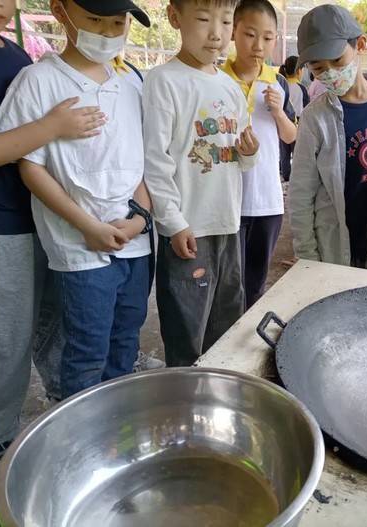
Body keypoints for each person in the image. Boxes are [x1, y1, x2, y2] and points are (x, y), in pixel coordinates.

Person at [0, 0, 154, 400]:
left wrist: (140, 219)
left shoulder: (130, 83)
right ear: (60, 11)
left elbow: (141, 165)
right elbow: (30, 168)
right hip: (79, 247)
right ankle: (82, 426)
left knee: (125, 339)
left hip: (134, 243)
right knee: (86, 350)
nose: (107, 33)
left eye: (117, 23)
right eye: (94, 20)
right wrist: (88, 227)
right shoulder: (38, 80)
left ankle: (119, 420)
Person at [0, 0, 106, 465]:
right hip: (0, 226)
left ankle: (61, 406)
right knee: (6, 341)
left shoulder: (14, 54)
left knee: (50, 324)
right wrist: (52, 127)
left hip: (43, 218)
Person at [144, 0, 259, 367]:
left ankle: (220, 389)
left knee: (227, 324)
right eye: (205, 19)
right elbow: (155, 160)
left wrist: (250, 152)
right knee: (187, 329)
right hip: (189, 229)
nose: (216, 34)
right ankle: (184, 392)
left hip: (227, 223)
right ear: (174, 17)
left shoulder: (229, 87)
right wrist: (173, 222)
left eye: (225, 22)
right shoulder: (164, 81)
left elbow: (240, 159)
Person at [289, 4, 367, 269]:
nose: (330, 73)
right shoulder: (314, 117)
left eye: (337, 61)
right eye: (318, 68)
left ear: (360, 45)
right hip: (334, 246)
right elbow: (301, 194)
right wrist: (307, 257)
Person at [221, 0, 296, 308]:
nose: (258, 46)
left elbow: (291, 136)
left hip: (267, 201)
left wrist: (278, 112)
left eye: (267, 37)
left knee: (255, 284)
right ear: (233, 32)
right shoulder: (217, 80)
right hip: (227, 200)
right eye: (250, 35)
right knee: (228, 284)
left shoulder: (278, 83)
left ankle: (247, 333)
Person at [278, 55, 309, 182]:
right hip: (298, 123)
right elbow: (307, 108)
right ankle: (296, 176)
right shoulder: (301, 88)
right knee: (297, 152)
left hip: (282, 122)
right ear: (299, 71)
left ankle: (285, 174)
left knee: (284, 151)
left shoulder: (281, 86)